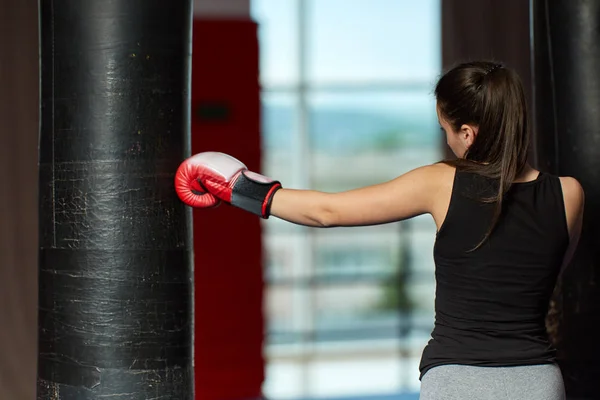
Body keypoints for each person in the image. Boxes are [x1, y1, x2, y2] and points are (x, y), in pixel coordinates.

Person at [174, 61, 584, 400]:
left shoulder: (440, 182)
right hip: (538, 381)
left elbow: (326, 211)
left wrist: (240, 188)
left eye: (446, 131)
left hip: (458, 382)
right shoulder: (568, 194)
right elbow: (550, 274)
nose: (448, 144)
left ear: (468, 134)